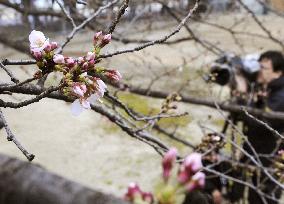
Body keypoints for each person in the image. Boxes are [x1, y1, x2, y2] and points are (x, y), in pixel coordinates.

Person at [235, 50, 284, 204]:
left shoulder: (281, 95)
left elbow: (261, 124)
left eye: (263, 68)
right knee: (252, 198)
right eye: (258, 66)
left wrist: (243, 98)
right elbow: (241, 116)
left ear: (278, 72)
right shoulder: (265, 88)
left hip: (271, 159)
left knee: (264, 199)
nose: (258, 71)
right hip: (256, 154)